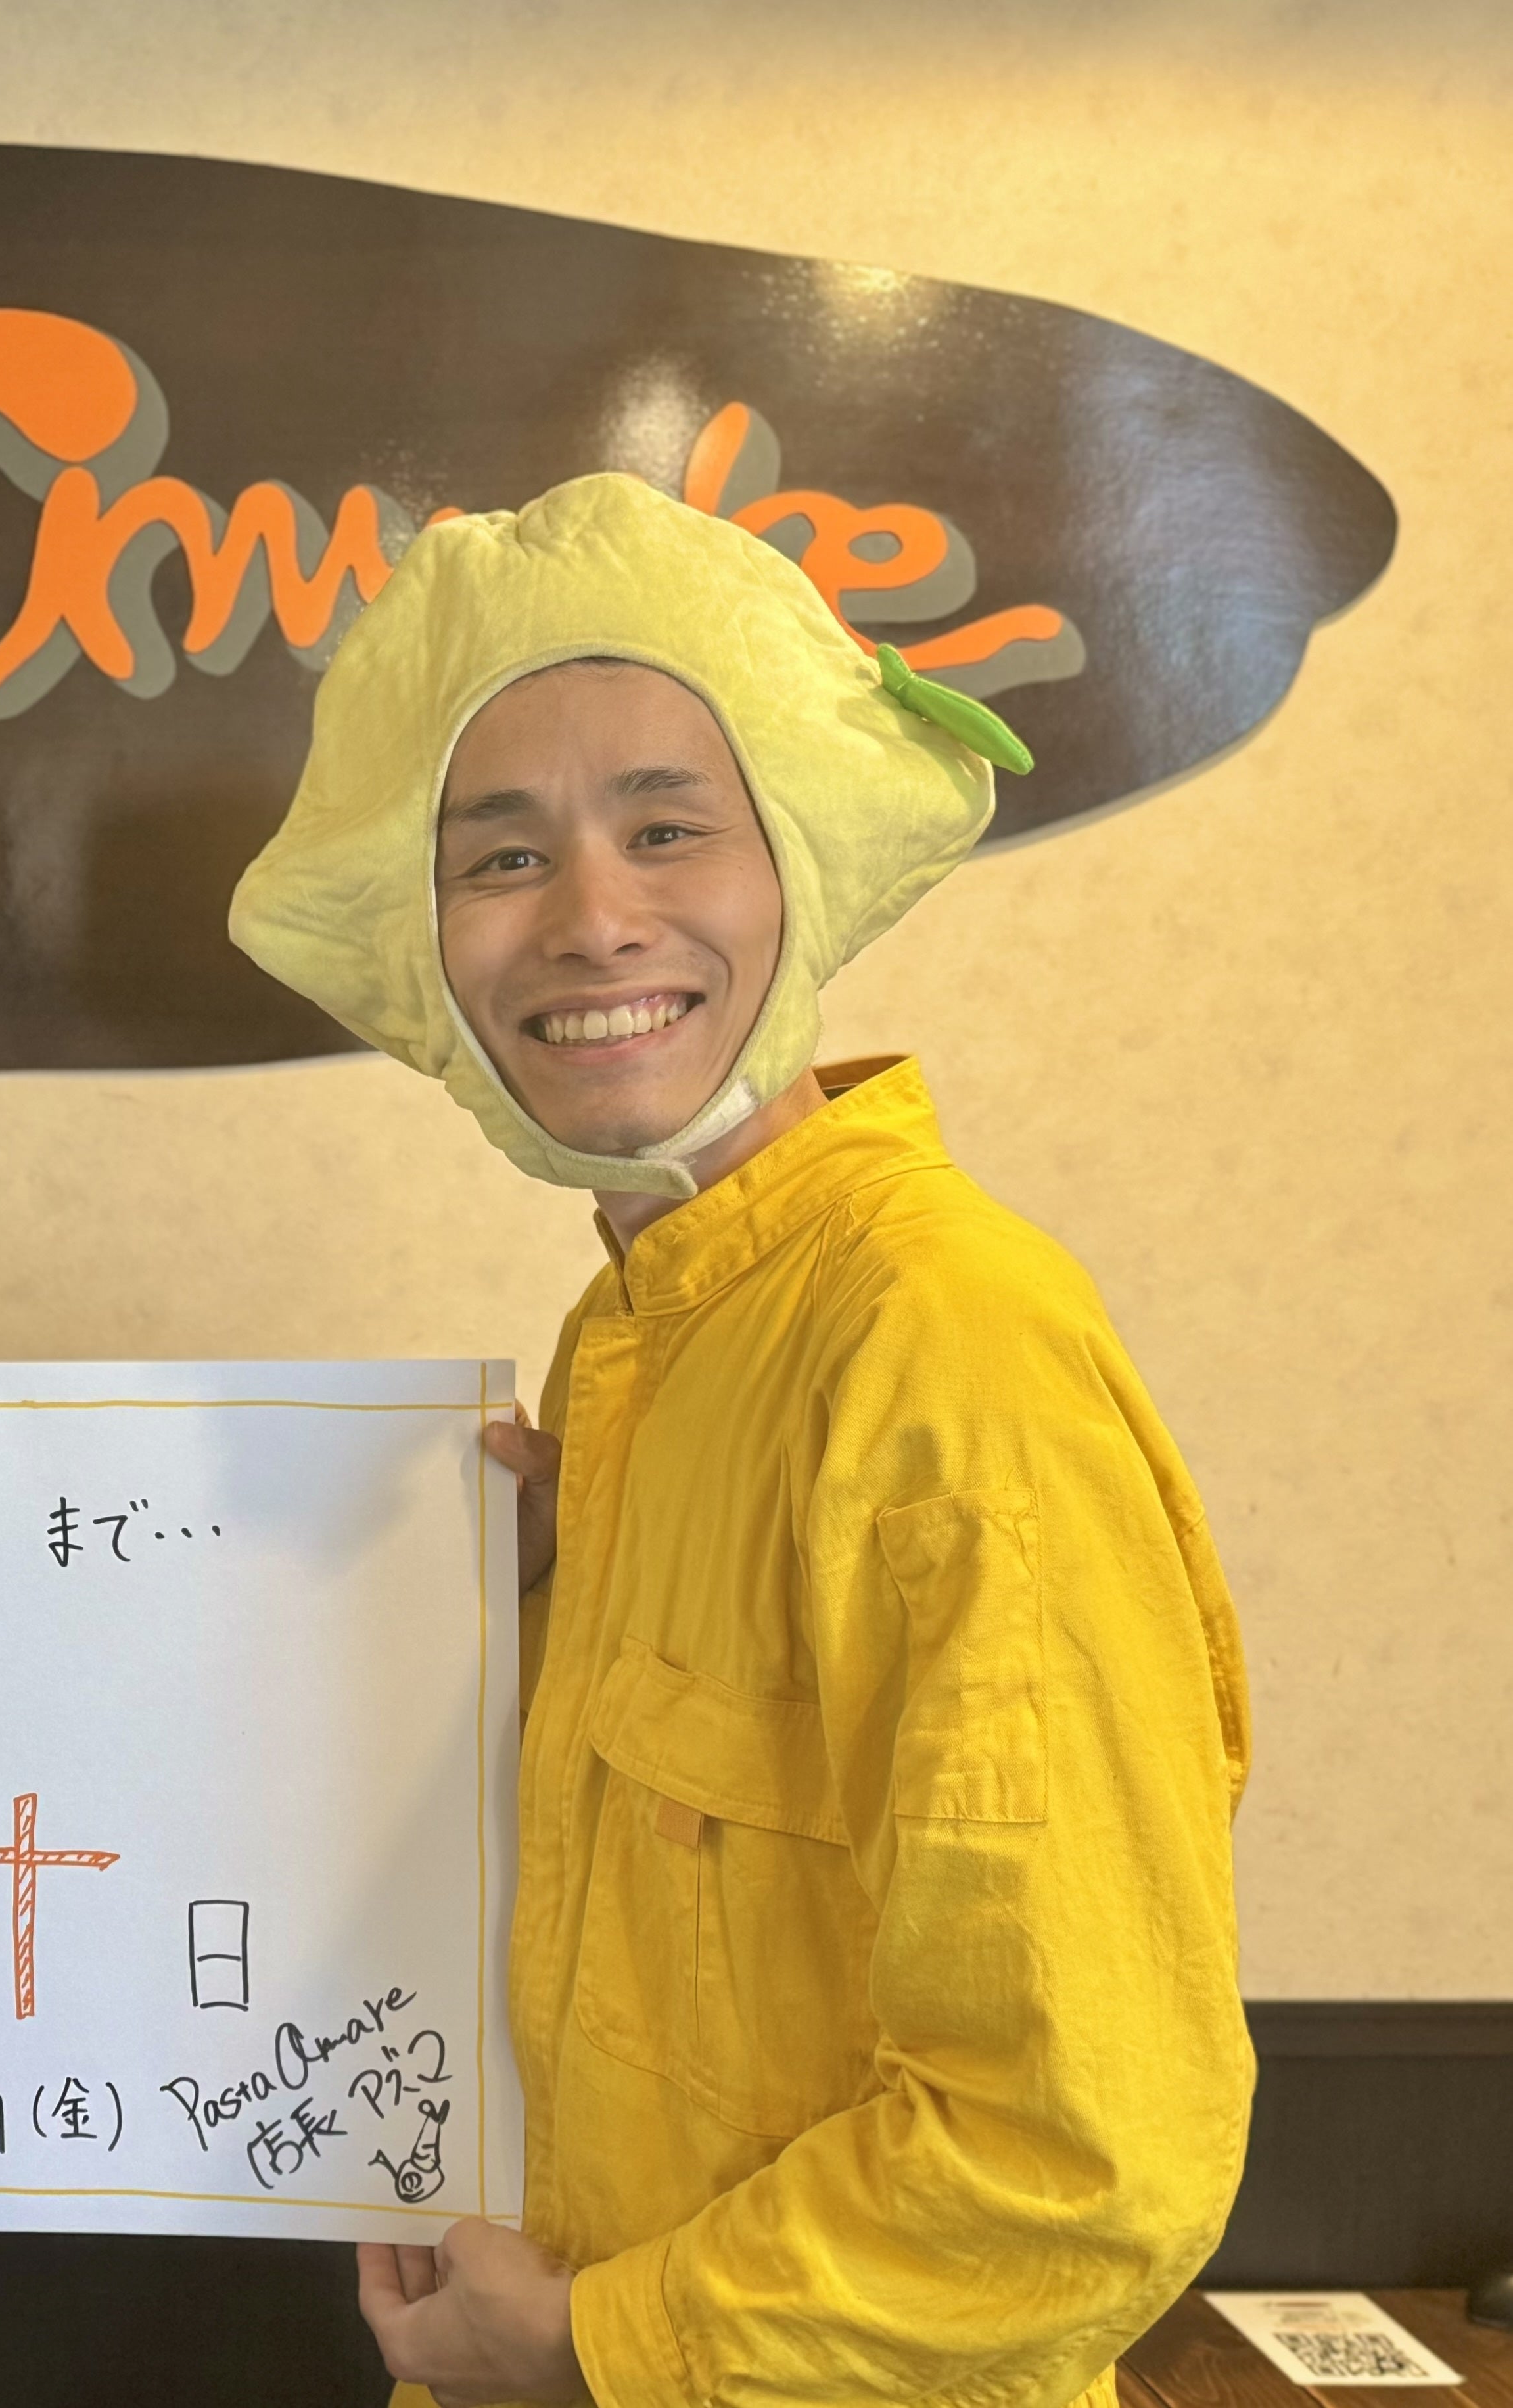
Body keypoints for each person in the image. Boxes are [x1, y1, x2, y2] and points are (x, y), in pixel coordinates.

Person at [229, 473, 1255, 2408]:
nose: (592, 919)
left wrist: (594, 2346)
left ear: (795, 862)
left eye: (667, 827)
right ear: (426, 943)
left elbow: (1079, 2163)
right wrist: (520, 1621)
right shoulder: (645, 1333)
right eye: (500, 855)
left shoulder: (941, 1342)